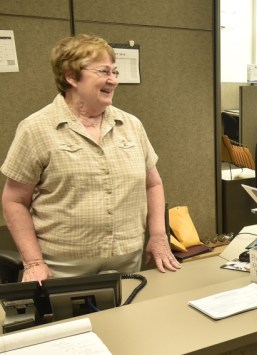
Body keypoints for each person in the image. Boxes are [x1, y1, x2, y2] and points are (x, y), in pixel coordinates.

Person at [1, 34, 181, 283]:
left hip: (126, 257)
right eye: (104, 71)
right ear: (71, 76)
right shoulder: (36, 129)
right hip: (63, 265)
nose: (113, 80)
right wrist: (34, 263)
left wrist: (159, 236)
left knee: (127, 320)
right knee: (73, 322)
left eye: (115, 72)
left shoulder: (130, 125)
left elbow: (153, 183)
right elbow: (14, 200)